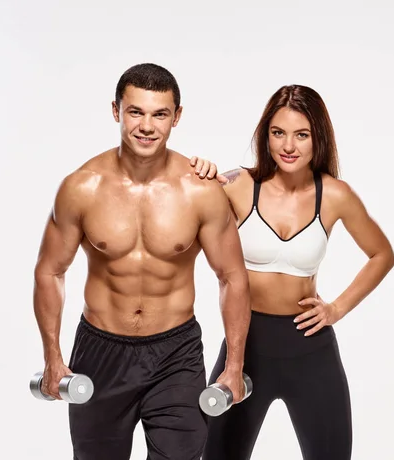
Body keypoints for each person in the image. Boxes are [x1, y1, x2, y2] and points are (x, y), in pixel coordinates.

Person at [32, 63, 251, 460]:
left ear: (176, 117)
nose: (146, 126)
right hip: (101, 352)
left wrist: (233, 365)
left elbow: (232, 277)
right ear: (116, 111)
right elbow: (50, 271)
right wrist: (53, 357)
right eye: (136, 112)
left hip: (176, 353)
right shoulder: (81, 188)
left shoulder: (200, 191)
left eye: (160, 114)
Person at [189, 84, 394, 459]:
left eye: (301, 135)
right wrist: (196, 175)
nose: (288, 145)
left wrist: (336, 309)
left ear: (319, 138)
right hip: (246, 346)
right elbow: (181, 221)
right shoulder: (237, 186)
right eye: (278, 132)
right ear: (265, 134)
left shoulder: (334, 194)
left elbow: (381, 254)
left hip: (309, 348)